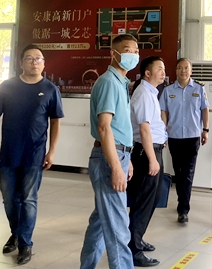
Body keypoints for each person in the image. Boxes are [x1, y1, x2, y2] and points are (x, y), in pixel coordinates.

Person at [0, 44, 64, 265]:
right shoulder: (7, 86)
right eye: (29, 58)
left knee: (28, 198)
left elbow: (56, 121)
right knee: (9, 198)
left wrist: (52, 151)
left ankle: (25, 243)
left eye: (39, 58)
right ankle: (17, 233)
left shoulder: (50, 89)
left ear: (44, 63)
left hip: (35, 153)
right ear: (21, 63)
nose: (34, 62)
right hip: (9, 152)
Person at [79, 34, 139, 269]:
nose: (133, 55)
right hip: (108, 159)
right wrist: (115, 166)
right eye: (127, 50)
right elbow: (104, 128)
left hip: (119, 154)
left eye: (136, 51)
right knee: (117, 227)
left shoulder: (121, 82)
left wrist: (127, 158)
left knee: (101, 220)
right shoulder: (108, 83)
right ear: (113, 53)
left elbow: (118, 127)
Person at [127, 56, 168, 267]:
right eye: (159, 69)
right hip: (146, 154)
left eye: (164, 68)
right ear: (147, 73)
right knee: (143, 201)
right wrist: (152, 159)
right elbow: (144, 129)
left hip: (153, 150)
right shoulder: (143, 93)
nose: (163, 72)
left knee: (152, 199)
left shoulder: (151, 92)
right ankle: (134, 250)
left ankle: (137, 238)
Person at [159, 58, 210, 223]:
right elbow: (164, 112)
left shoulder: (199, 88)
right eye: (180, 68)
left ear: (191, 71)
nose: (183, 71)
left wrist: (206, 130)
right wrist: (162, 134)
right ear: (176, 70)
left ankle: (183, 209)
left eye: (186, 68)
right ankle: (182, 200)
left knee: (187, 173)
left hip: (192, 136)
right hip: (174, 136)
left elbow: (205, 110)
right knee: (178, 171)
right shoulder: (168, 90)